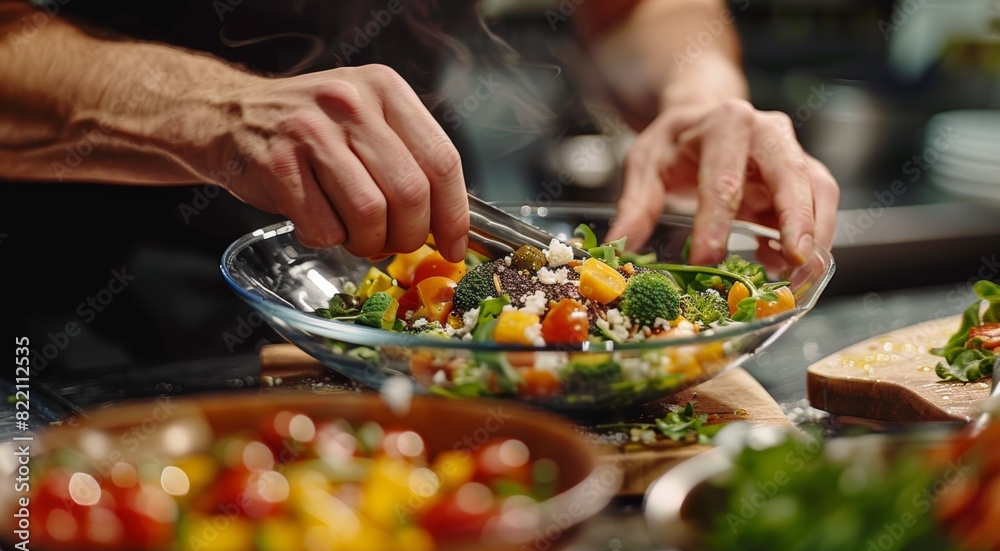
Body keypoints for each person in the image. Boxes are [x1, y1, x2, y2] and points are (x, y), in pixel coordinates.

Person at [0, 0, 837, 266]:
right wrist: (212, 112)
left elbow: (633, 10)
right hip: (77, 313)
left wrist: (697, 90)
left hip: (421, 254)